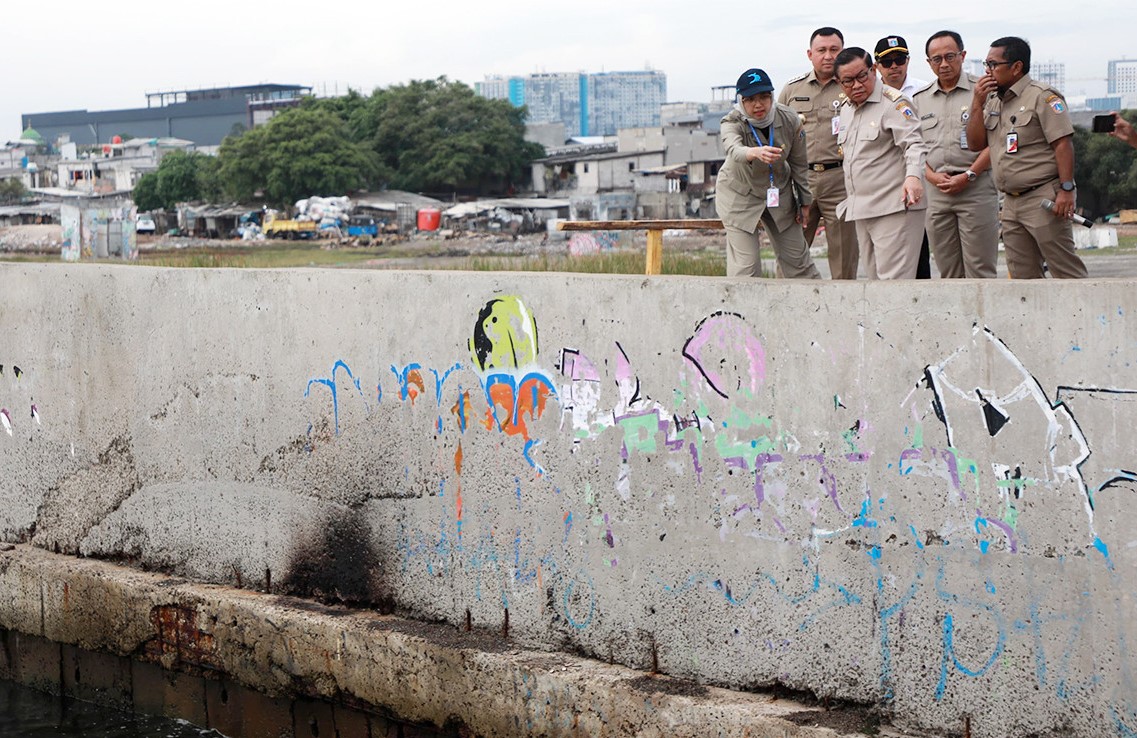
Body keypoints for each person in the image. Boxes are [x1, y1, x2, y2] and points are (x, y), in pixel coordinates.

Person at [965, 36, 1087, 279]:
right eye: (986, 64)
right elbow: (975, 144)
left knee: (1065, 271)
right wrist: (977, 103)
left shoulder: (1042, 97)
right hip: (1011, 201)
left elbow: (1063, 144)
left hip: (1043, 197)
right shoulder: (992, 100)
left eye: (993, 64)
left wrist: (1066, 190)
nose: (987, 71)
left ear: (1016, 67)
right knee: (1023, 277)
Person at [833, 47, 928, 279]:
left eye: (862, 76)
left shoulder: (893, 103)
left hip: (894, 208)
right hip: (862, 209)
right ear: (839, 83)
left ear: (873, 70)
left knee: (894, 285)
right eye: (848, 81)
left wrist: (913, 177)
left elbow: (914, 144)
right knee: (874, 284)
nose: (857, 85)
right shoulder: (845, 109)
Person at [717, 68, 821, 279]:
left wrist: (804, 201)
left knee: (799, 262)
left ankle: (814, 300)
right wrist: (753, 152)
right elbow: (733, 149)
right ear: (741, 100)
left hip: (778, 192)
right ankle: (741, 302)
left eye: (764, 97)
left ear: (772, 96)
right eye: (750, 99)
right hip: (740, 195)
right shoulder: (732, 121)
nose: (758, 105)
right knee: (746, 268)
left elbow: (799, 164)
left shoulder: (790, 119)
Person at [912, 30, 999, 278]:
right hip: (937, 192)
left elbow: (995, 142)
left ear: (963, 55)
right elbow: (915, 146)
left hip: (976, 188)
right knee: (948, 271)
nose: (944, 64)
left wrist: (969, 175)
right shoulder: (920, 99)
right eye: (936, 59)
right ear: (929, 62)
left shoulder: (984, 91)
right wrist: (931, 177)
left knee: (980, 270)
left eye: (950, 56)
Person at [778, 27, 860, 279]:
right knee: (791, 254)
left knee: (844, 257)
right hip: (802, 180)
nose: (828, 56)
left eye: (834, 50)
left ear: (843, 52)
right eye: (821, 50)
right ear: (810, 54)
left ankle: (842, 303)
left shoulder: (854, 86)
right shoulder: (793, 90)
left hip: (840, 179)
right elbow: (778, 134)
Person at [875, 35, 933, 280]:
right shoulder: (870, 95)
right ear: (877, 66)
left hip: (919, 178)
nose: (894, 66)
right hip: (883, 183)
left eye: (899, 60)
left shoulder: (924, 91)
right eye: (887, 62)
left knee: (919, 249)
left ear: (908, 60)